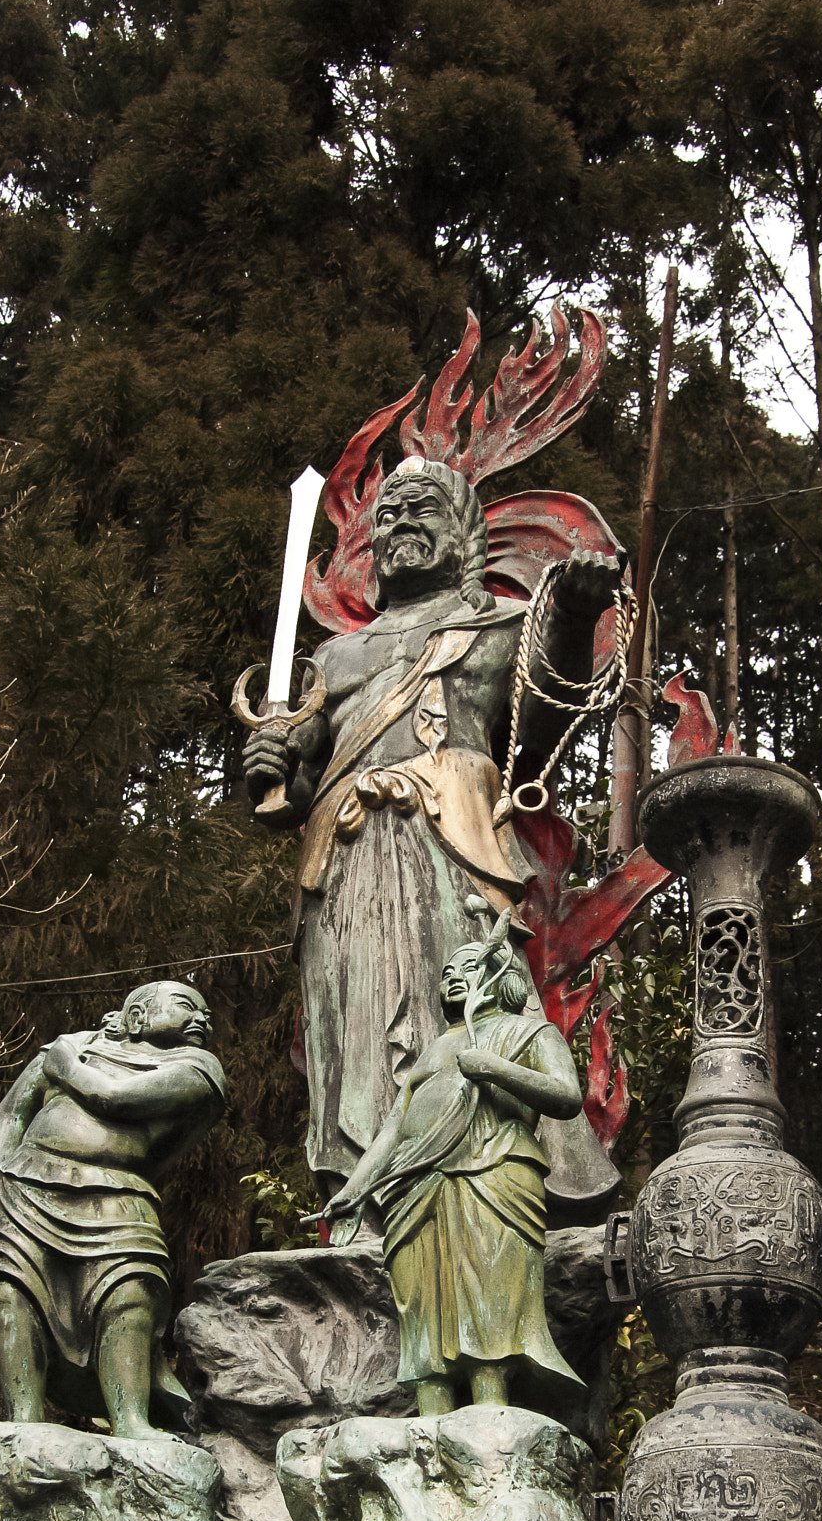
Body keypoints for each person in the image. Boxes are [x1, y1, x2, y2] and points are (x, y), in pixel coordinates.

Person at [242, 454, 620, 1221]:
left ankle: (479, 1188)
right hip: (344, 853)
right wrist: (271, 764)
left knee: (463, 1002)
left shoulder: (501, 627)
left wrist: (575, 617)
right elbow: (293, 789)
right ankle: (359, 1199)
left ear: (463, 533)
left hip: (450, 840)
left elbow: (543, 727)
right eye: (386, 514)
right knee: (351, 1021)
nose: (399, 525)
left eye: (420, 510)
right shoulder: (335, 657)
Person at [315, 905, 584, 1412]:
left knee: (490, 1293)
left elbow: (566, 1096)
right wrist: (354, 1189)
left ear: (500, 976)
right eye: (448, 973)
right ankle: (430, 1414)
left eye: (469, 967)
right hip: (415, 1183)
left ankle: (491, 1410)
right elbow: (394, 1127)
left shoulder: (530, 1033)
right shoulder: (434, 1050)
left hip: (493, 1168)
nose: (454, 978)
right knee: (423, 1308)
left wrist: (494, 1068)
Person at [0, 980, 227, 1439]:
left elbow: (116, 1099)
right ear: (137, 1016)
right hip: (28, 1184)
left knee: (129, 1292)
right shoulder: (74, 1046)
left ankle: (130, 1419)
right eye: (188, 1006)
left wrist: (65, 1066)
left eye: (206, 1014)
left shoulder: (197, 1068)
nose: (203, 1019)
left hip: (119, 1188)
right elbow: (13, 1113)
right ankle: (22, 1419)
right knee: (13, 1292)